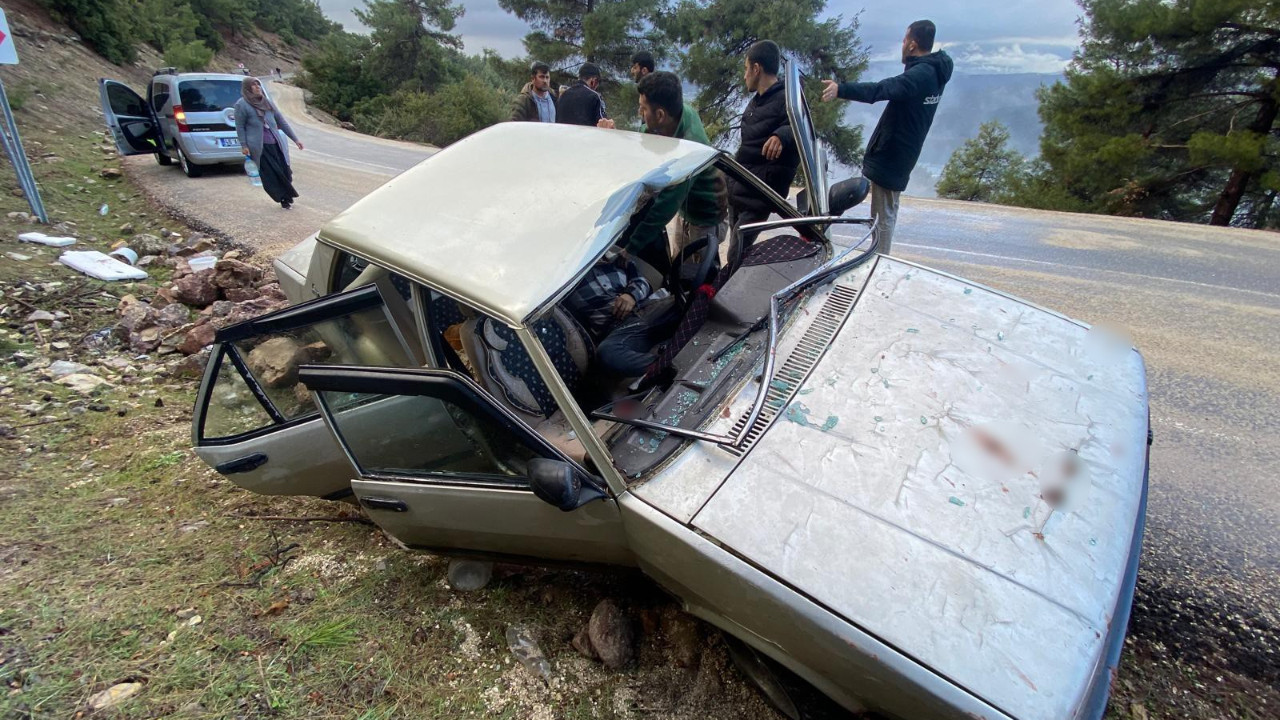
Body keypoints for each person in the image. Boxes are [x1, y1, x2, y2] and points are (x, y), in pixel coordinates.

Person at [821, 20, 952, 254]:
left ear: (912, 45)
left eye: (904, 40)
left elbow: (881, 89)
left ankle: (879, 262)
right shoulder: (932, 72)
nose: (902, 44)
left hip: (894, 156)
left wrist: (841, 89)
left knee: (883, 217)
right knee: (884, 213)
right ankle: (878, 256)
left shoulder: (921, 75)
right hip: (901, 154)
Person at [617, 71, 726, 278]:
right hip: (688, 208)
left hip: (706, 216)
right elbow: (648, 131)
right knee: (680, 261)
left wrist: (631, 248)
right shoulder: (679, 112)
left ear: (660, 115)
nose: (640, 113)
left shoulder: (689, 151)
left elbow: (664, 207)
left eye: (643, 109)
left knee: (699, 275)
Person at [728, 40, 799, 250]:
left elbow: (799, 127)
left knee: (736, 255)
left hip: (758, 194)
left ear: (756, 69)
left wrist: (781, 136)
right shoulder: (756, 101)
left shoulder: (786, 99)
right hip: (740, 189)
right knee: (735, 254)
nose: (744, 75)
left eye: (746, 69)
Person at [563, 250, 668, 377]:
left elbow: (643, 282)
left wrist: (631, 295)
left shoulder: (616, 259)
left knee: (692, 299)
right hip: (620, 328)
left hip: (648, 307)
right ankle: (667, 364)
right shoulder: (563, 286)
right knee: (607, 353)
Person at [235, 77, 304, 209]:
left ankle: (286, 195)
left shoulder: (267, 103)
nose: (257, 87)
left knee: (285, 171)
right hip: (260, 147)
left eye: (258, 84)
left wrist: (295, 139)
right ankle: (284, 198)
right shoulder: (241, 105)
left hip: (275, 143)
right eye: (253, 85)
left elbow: (281, 121)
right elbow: (240, 126)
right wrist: (244, 145)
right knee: (273, 174)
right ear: (247, 88)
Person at [556, 62, 608, 127]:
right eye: (598, 82)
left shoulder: (563, 96)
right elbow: (603, 124)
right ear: (594, 81)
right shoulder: (594, 97)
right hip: (586, 136)